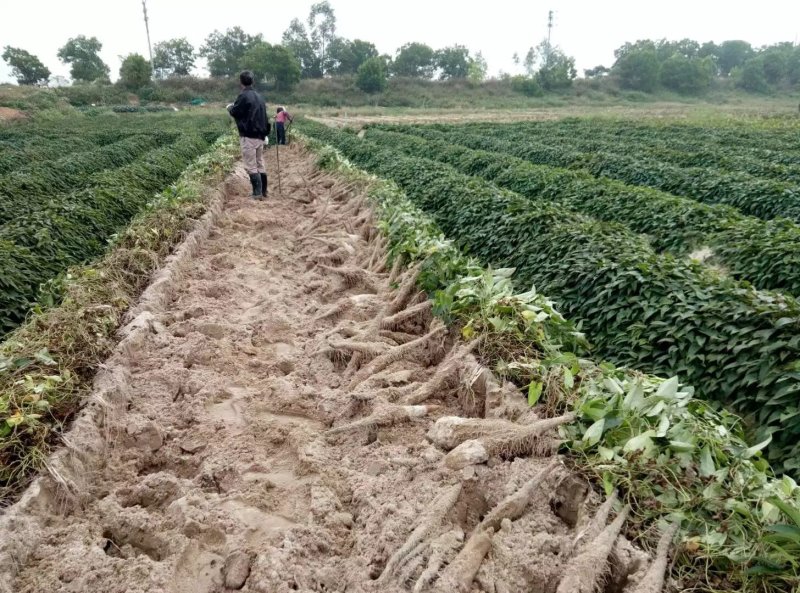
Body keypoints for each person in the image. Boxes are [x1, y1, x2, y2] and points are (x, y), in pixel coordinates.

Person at [227, 71, 270, 199]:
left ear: (241, 82)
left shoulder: (243, 96)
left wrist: (229, 108)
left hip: (249, 135)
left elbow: (236, 112)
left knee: (251, 165)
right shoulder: (259, 96)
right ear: (253, 81)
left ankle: (257, 193)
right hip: (260, 135)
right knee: (259, 163)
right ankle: (263, 191)